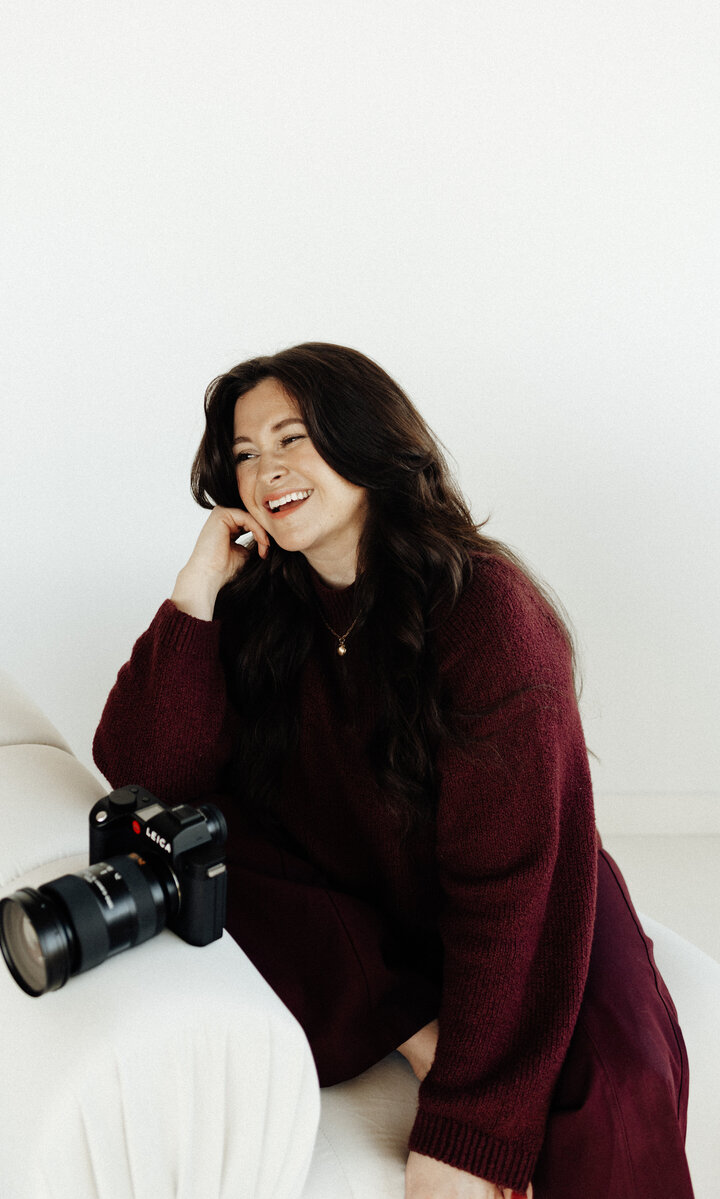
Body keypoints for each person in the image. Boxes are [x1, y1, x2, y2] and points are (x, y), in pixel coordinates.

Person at [93, 343, 693, 1198]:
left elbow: (511, 888)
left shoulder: (488, 613)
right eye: (245, 454)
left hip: (529, 892)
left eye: (292, 438)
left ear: (364, 441)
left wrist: (466, 1131)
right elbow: (141, 770)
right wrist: (195, 594)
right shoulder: (263, 600)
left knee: (613, 1087)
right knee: (199, 846)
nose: (267, 470)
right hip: (359, 901)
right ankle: (401, 1010)